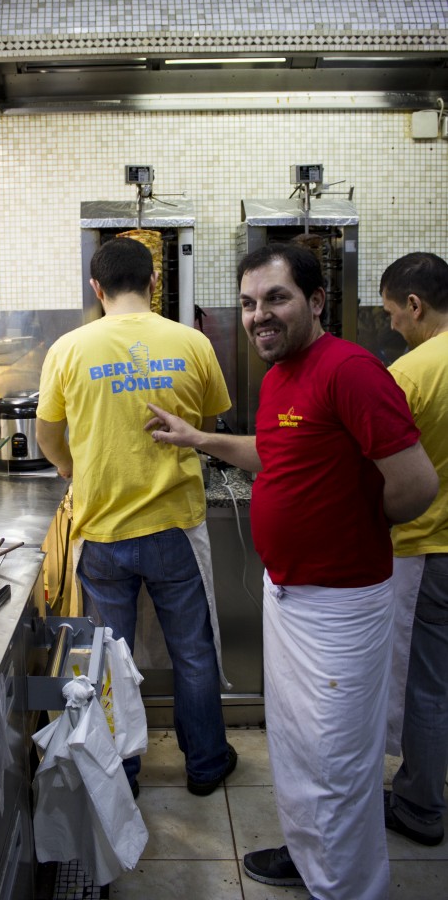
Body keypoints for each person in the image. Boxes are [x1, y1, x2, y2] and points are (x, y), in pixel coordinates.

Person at [145, 242, 438, 900]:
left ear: (314, 301)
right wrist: (199, 439)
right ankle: (313, 859)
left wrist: (352, 527)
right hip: (291, 595)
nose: (258, 316)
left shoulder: (351, 371)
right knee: (300, 749)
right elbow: (272, 449)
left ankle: (346, 886)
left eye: (274, 299)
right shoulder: (282, 374)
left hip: (340, 603)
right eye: (248, 304)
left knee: (335, 761)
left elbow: (415, 485)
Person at [36, 235, 237, 797]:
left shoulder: (68, 349)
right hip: (175, 522)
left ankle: (121, 772)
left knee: (108, 659)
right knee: (192, 652)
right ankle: (206, 765)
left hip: (102, 529)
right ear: (154, 282)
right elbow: (210, 433)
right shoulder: (192, 343)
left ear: (96, 288)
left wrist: (77, 468)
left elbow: (48, 437)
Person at [379, 251, 448, 847]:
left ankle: (421, 804)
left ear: (415, 305)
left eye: (392, 314)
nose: (392, 326)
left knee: (426, 682)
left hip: (433, 548)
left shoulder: (412, 373)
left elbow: (386, 470)